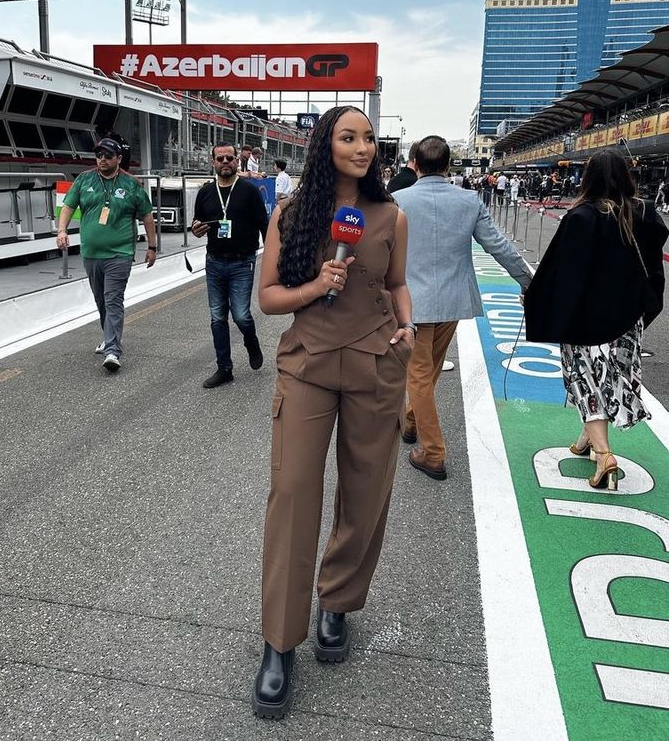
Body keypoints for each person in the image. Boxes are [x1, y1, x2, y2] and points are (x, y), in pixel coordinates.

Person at [253, 105, 414, 718]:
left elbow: (397, 283)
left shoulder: (391, 216)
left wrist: (408, 321)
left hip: (377, 364)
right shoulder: (291, 215)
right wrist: (318, 285)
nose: (364, 146)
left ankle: (336, 602)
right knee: (293, 492)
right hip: (308, 363)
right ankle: (279, 642)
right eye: (349, 137)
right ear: (325, 145)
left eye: (370, 137)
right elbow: (267, 299)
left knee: (364, 491)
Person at [524, 149, 668, 489]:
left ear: (588, 179)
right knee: (613, 379)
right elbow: (654, 274)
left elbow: (564, 273)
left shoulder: (583, 217)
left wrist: (539, 300)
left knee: (585, 380)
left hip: (587, 320)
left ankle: (604, 454)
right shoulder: (646, 213)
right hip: (627, 317)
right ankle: (587, 438)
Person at [394, 136, 532, 479]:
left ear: (414, 164)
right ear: (447, 166)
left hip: (412, 303)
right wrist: (529, 282)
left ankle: (433, 451)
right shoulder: (469, 200)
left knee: (420, 374)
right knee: (428, 371)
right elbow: (499, 246)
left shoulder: (397, 200)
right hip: (453, 301)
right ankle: (411, 420)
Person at [57, 136, 157, 372]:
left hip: (120, 253)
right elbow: (69, 206)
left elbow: (147, 216)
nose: (102, 159)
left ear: (118, 159)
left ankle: (112, 349)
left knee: (113, 298)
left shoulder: (131, 184)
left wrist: (152, 247)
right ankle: (109, 335)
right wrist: (61, 230)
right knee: (101, 299)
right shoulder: (84, 179)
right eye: (99, 155)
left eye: (108, 156)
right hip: (91, 252)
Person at [192, 144, 269, 388]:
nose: (225, 162)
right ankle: (224, 368)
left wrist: (272, 258)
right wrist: (195, 229)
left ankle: (251, 341)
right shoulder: (205, 193)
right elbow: (198, 223)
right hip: (214, 261)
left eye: (230, 158)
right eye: (220, 158)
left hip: (242, 261)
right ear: (212, 162)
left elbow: (265, 226)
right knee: (217, 317)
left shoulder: (249, 191)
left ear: (237, 161)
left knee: (241, 315)